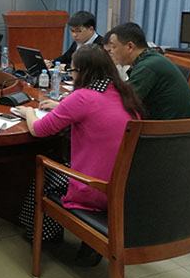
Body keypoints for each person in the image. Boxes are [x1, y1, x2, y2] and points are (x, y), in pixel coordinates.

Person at [16, 44, 145, 266]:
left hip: (94, 189)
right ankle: (85, 245)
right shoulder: (125, 95)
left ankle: (44, 235)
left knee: (46, 171)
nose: (72, 75)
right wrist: (60, 106)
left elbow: (38, 130)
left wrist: (28, 111)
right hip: (126, 187)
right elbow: (97, 113)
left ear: (82, 72)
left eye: (72, 71)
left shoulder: (83, 97)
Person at [107, 22, 190, 120]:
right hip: (176, 123)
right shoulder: (151, 57)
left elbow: (125, 101)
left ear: (130, 47)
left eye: (114, 47)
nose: (112, 52)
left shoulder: (147, 67)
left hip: (170, 127)